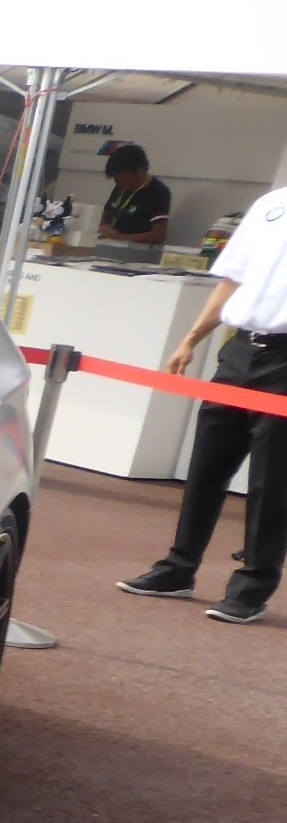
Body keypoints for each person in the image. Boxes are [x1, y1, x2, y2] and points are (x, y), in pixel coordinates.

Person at [117, 181, 287, 624]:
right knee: (206, 467)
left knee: (273, 482)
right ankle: (178, 568)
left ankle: (251, 588)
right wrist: (191, 339)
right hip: (242, 350)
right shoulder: (271, 205)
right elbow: (233, 279)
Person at [100, 142, 171, 251]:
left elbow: (159, 236)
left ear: (142, 169)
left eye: (126, 179)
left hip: (136, 252)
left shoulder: (158, 191)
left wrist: (120, 238)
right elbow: (106, 215)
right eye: (117, 179)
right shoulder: (120, 186)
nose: (121, 184)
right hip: (108, 247)